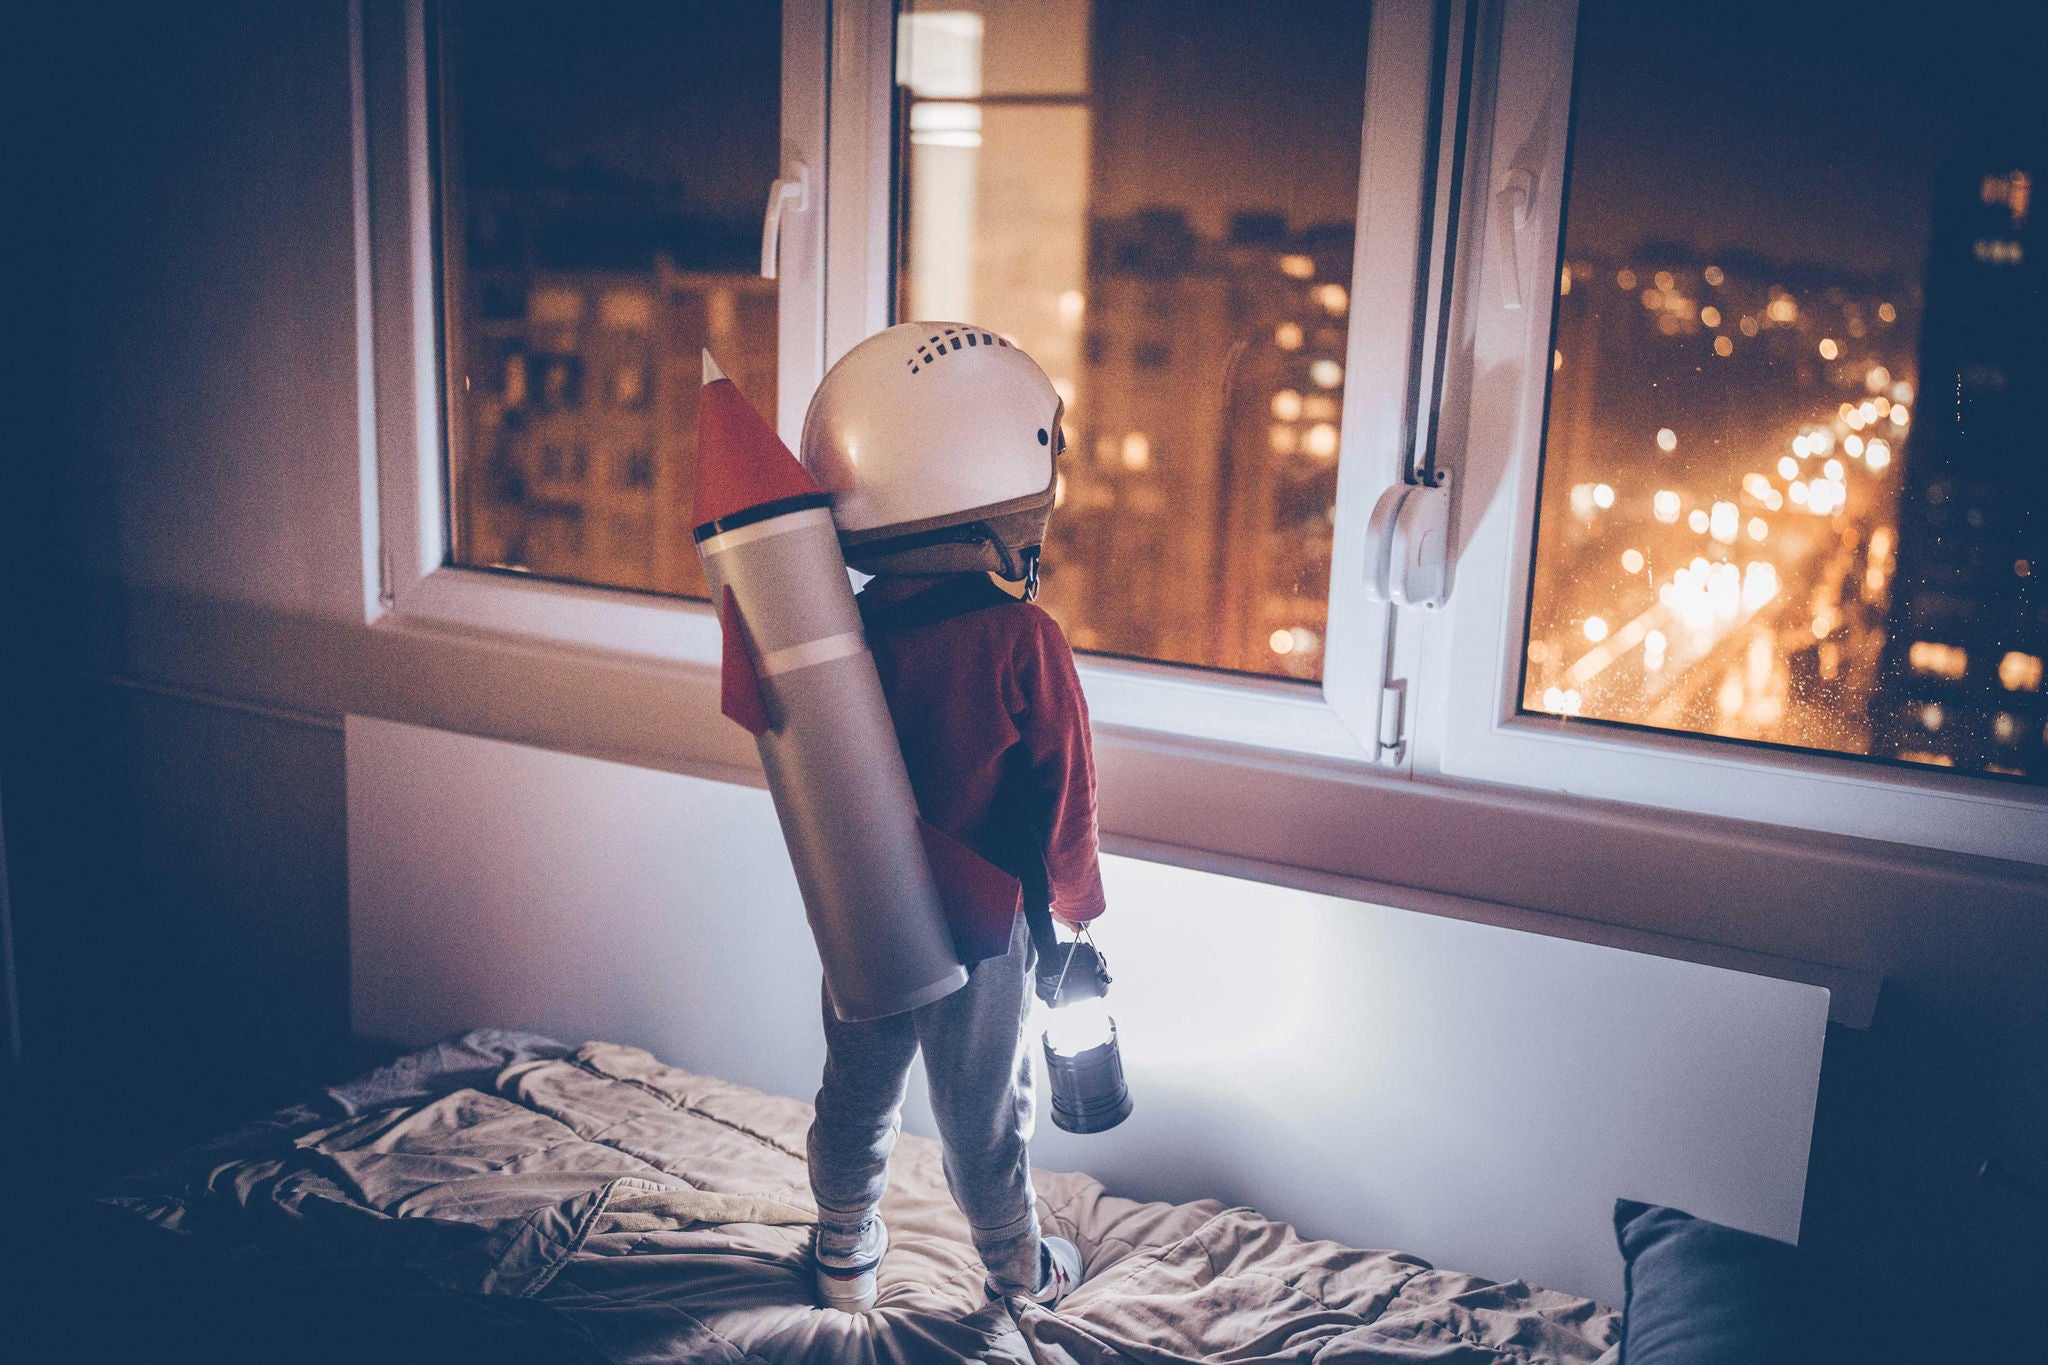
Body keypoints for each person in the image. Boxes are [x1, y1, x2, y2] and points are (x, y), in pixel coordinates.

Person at [798, 324, 1105, 1314]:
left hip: (866, 907)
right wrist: (1076, 907)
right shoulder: (1022, 637)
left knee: (855, 1089)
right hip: (980, 921)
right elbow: (1065, 790)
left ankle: (843, 1257)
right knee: (981, 1114)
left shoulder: (829, 634)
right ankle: (1018, 1273)